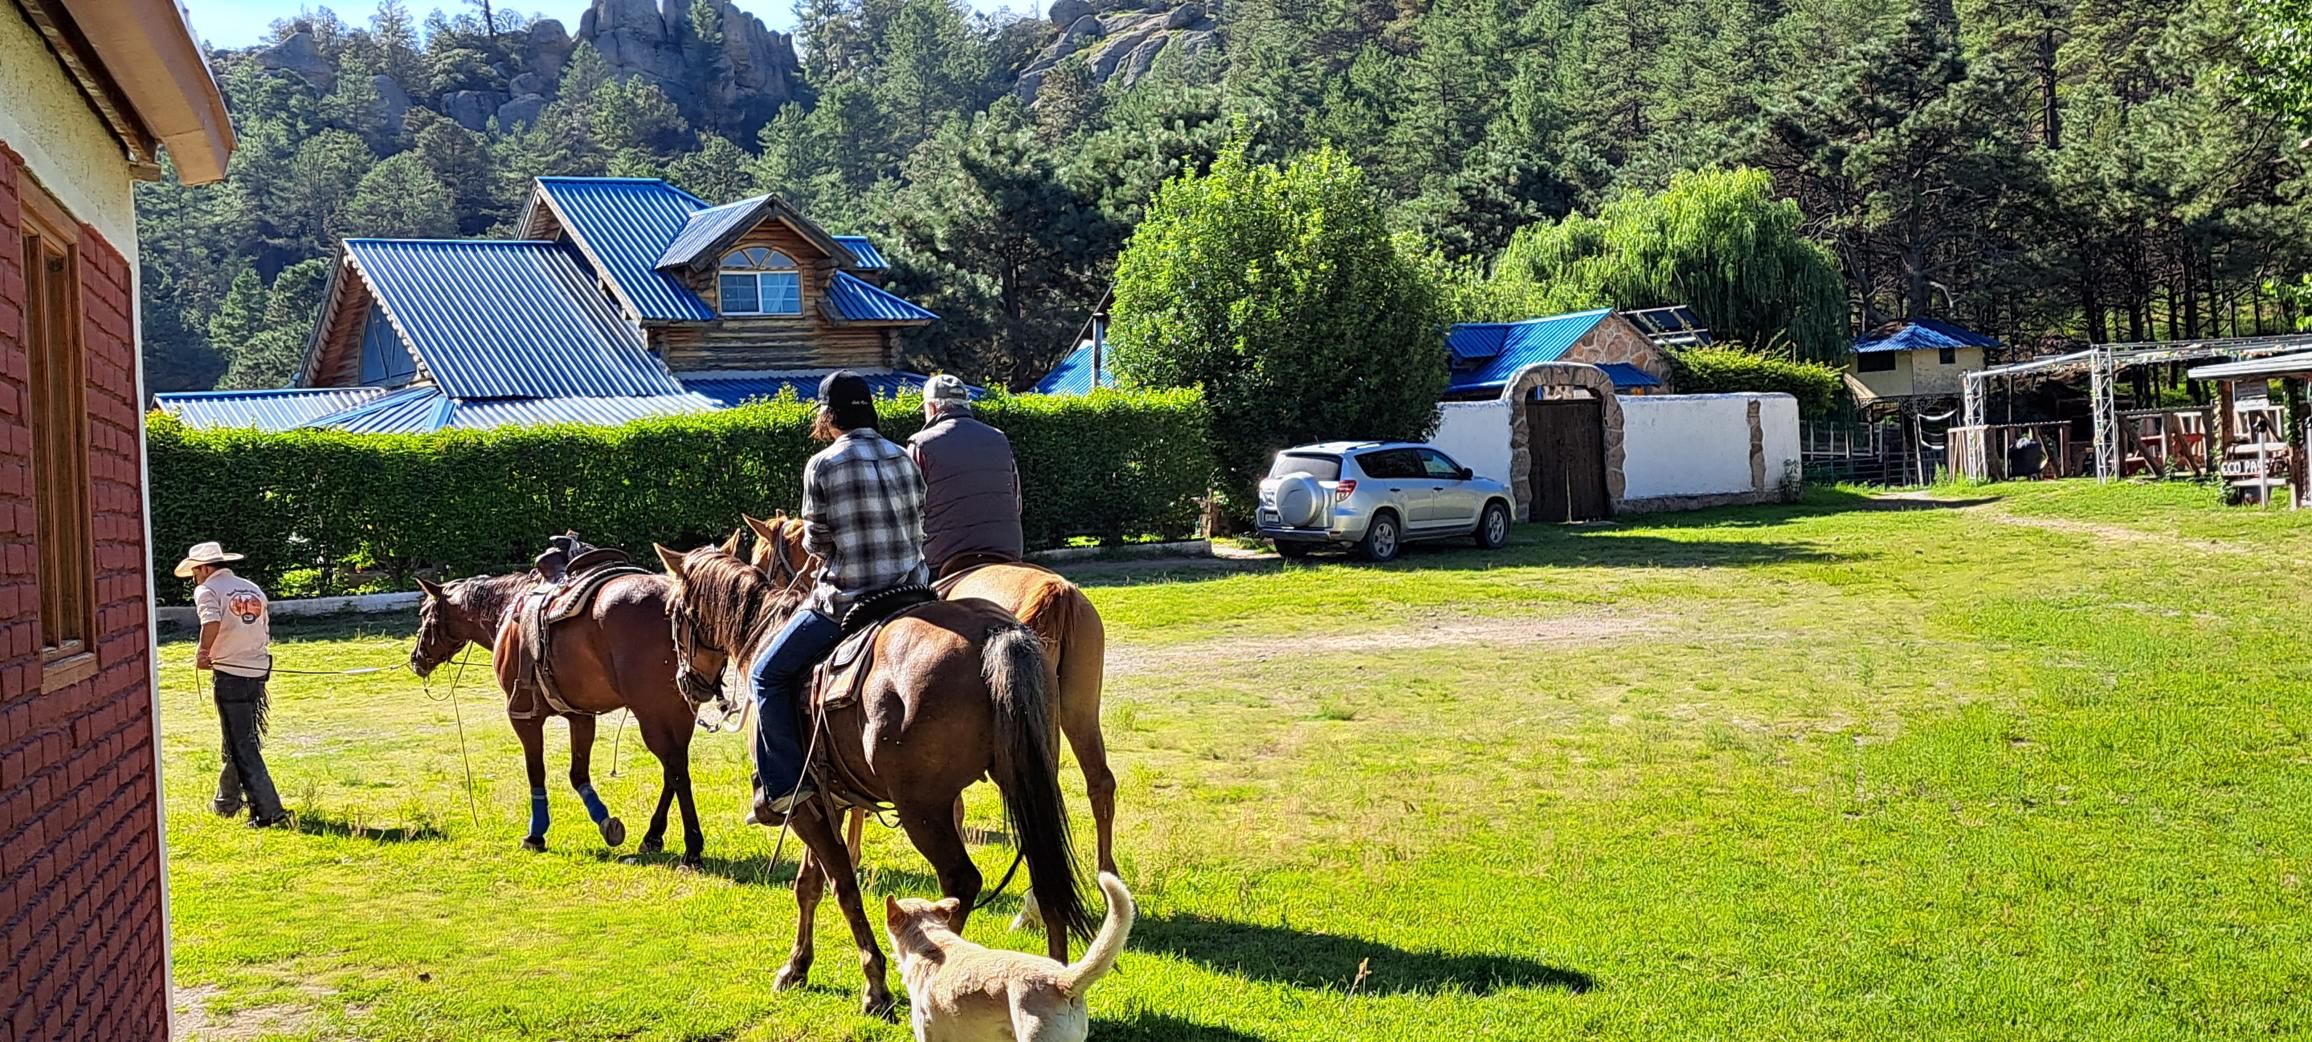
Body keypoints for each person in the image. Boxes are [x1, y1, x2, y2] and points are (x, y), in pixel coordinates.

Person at [747, 371, 930, 819]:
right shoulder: (904, 456)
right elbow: (919, 517)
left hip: (850, 600)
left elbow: (816, 542)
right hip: (913, 593)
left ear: (828, 416)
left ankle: (787, 785)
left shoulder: (822, 465)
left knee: (765, 675)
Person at [179, 542, 288, 828]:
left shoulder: (207, 590)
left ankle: (268, 811)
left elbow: (211, 622)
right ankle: (226, 801)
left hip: (230, 671)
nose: (195, 577)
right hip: (257, 668)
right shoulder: (252, 588)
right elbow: (263, 626)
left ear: (204, 568)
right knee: (238, 738)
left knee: (242, 744)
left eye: (195, 571)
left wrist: (203, 653)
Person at [908, 373, 1025, 577]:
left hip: (941, 558)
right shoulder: (999, 438)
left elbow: (909, 513)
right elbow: (1017, 504)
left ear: (933, 408)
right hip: (1007, 550)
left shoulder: (920, 444)